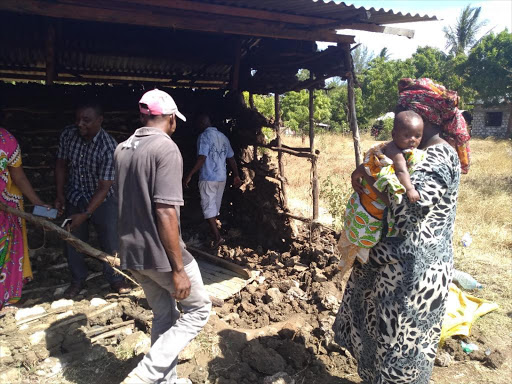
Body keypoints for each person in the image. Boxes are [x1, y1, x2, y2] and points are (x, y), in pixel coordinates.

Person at [333, 78, 471, 384]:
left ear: (425, 118)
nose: (403, 132)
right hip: (390, 266)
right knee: (377, 342)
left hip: (413, 275)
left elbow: (410, 210)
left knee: (400, 354)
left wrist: (367, 181)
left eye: (407, 120)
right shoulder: (413, 152)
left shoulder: (438, 156)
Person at [115, 89, 211, 384]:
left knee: (164, 315)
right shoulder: (166, 149)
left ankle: (164, 381)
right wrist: (179, 269)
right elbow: (166, 212)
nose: (175, 125)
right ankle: (146, 374)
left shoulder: (123, 148)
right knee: (198, 309)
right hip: (160, 255)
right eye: (175, 120)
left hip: (132, 253)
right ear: (170, 118)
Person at [337, 110, 425, 277]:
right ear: (394, 134)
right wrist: (411, 189)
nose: (413, 140)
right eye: (407, 135)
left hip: (369, 192)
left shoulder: (399, 150)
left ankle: (358, 251)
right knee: (369, 223)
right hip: (371, 197)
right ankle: (360, 250)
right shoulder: (396, 153)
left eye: (418, 136)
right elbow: (400, 172)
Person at [55, 102, 129, 299]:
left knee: (110, 240)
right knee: (73, 240)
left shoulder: (109, 147)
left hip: (103, 200)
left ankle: (115, 278)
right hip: (74, 195)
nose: (80, 124)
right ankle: (78, 280)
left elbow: (104, 187)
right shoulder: (68, 134)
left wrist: (86, 213)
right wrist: (60, 194)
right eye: (78, 119)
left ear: (99, 120)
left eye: (86, 120)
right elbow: (61, 164)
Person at [0, 127, 50, 311]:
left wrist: (38, 203)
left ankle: (7, 299)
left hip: (6, 208)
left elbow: (18, 176)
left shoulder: (6, 140)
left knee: (6, 254)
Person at [184, 114, 241, 248]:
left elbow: (202, 157)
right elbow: (231, 158)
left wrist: (190, 174)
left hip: (208, 177)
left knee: (208, 207)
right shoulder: (223, 137)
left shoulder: (204, 137)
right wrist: (236, 175)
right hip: (221, 177)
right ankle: (214, 233)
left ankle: (217, 237)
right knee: (214, 206)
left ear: (203, 123)